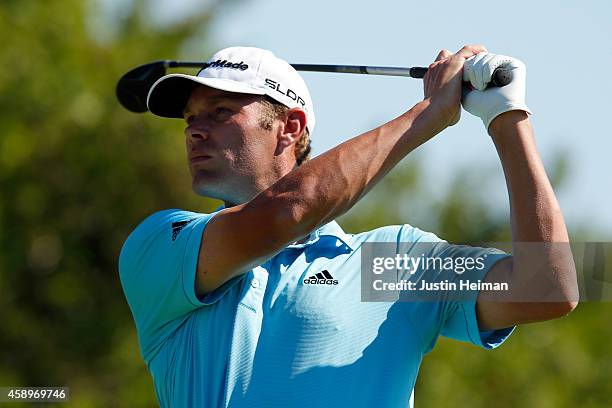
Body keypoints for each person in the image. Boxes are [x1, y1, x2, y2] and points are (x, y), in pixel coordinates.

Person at [119, 45, 578, 407]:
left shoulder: (390, 266)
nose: (196, 130)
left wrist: (506, 116)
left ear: (289, 128)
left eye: (220, 112)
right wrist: (427, 115)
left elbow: (548, 287)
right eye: (191, 119)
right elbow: (286, 213)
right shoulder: (164, 243)